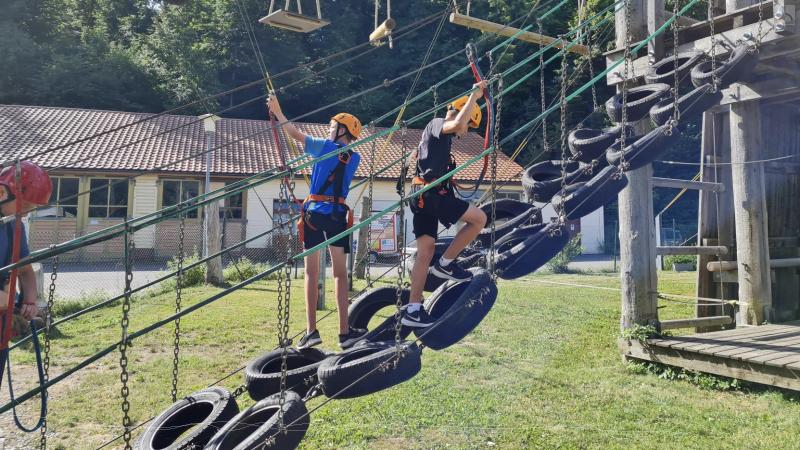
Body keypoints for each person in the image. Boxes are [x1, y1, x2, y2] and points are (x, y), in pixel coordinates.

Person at [267, 93, 367, 349]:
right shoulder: (354, 158)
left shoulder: (324, 147)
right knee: (340, 275)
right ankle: (345, 333)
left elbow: (294, 133)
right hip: (337, 217)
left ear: (342, 130)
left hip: (314, 215)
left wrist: (278, 111)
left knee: (312, 273)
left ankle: (312, 331)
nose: (329, 130)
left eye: (333, 127)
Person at [402, 81, 489, 328]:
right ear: (466, 114)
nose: (464, 133)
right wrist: (475, 95)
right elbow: (458, 124)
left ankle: (413, 309)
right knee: (479, 219)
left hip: (422, 196)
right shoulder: (438, 124)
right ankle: (446, 264)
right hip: (430, 194)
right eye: (470, 126)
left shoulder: (438, 140)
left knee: (425, 252)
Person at [0, 161, 53, 338]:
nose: (24, 214)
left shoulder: (15, 226)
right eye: (23, 207)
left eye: (30, 210)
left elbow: (25, 270)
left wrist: (30, 301)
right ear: (2, 193)